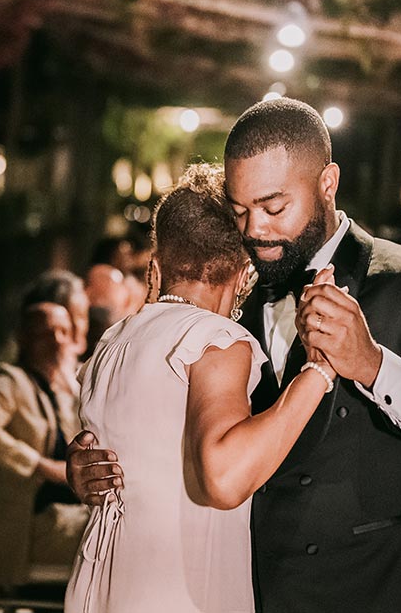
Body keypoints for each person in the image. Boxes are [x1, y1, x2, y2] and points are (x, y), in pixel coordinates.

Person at [69, 98, 401, 612]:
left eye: (274, 207)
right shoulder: (232, 303)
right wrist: (92, 466)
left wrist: (373, 364)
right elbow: (207, 433)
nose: (254, 231)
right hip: (255, 592)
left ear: (328, 183)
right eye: (240, 212)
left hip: (382, 590)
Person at [65, 163, 335, 613]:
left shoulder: (113, 341)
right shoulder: (215, 341)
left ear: (156, 263)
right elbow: (225, 479)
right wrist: (319, 372)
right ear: (245, 271)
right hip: (178, 594)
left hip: (102, 586)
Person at [0, 300, 89, 589]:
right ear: (23, 339)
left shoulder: (64, 386)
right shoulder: (11, 382)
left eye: (64, 332)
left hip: (74, 513)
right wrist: (38, 464)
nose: (57, 341)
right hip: (33, 525)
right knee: (131, 538)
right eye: (46, 333)